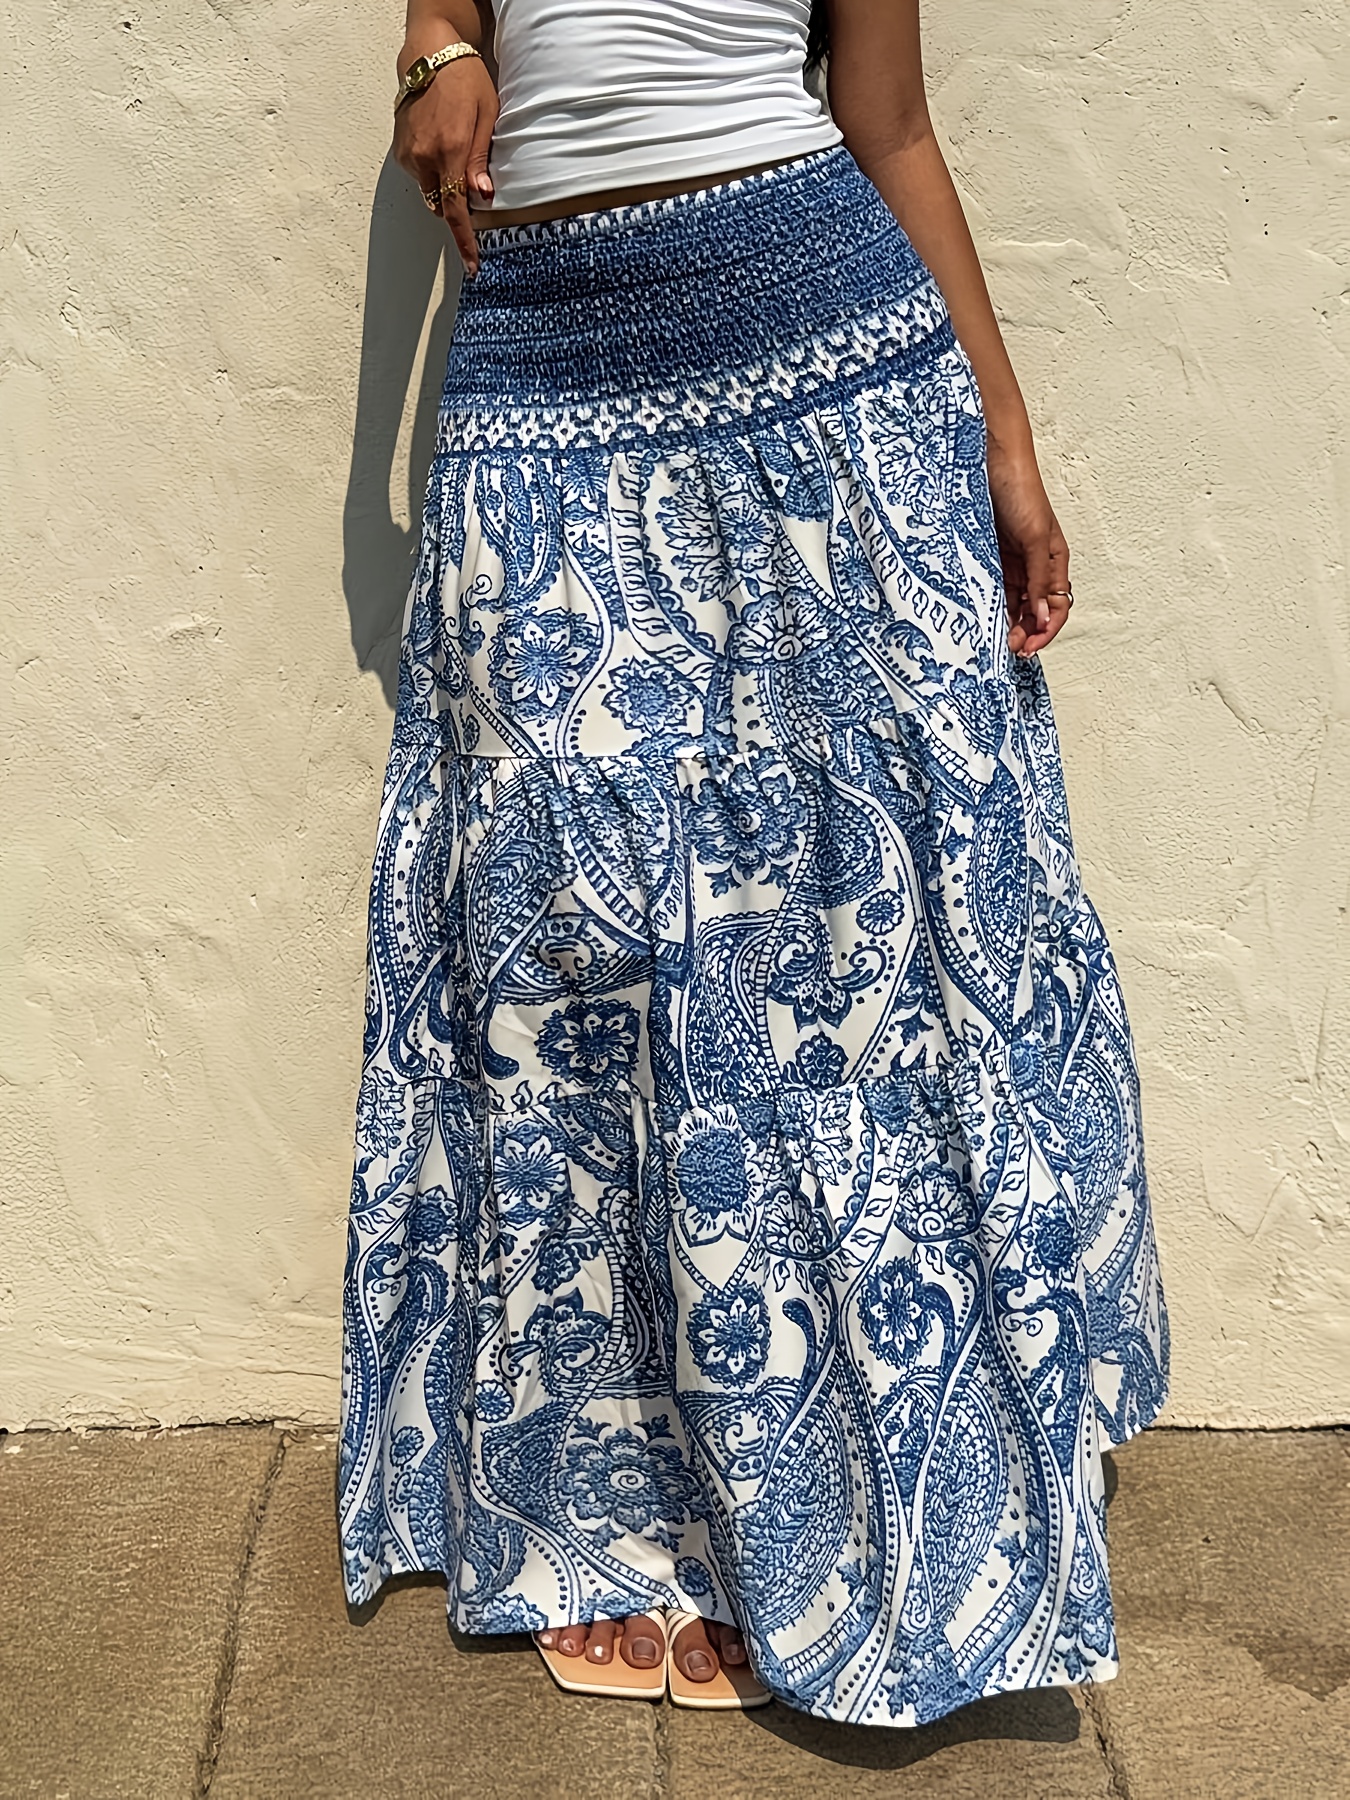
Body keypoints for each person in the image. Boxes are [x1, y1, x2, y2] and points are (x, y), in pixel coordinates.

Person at [338, 0, 1169, 1727]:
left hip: (815, 337)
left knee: (840, 942)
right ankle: (626, 1510)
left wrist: (1003, 441)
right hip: (541, 354)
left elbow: (889, 121)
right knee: (566, 944)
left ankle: (836, 1514)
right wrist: (433, 47)